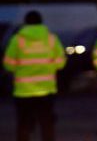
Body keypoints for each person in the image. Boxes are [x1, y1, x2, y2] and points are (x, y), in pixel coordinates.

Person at [3, 10, 66, 141]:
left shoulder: (17, 40)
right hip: (46, 90)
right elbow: (61, 63)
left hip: (23, 91)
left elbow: (8, 64)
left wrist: (21, 68)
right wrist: (47, 67)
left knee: (23, 124)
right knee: (46, 123)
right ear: (41, 22)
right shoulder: (51, 39)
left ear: (25, 23)